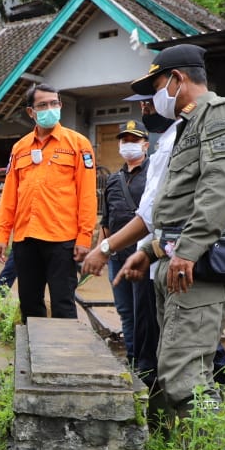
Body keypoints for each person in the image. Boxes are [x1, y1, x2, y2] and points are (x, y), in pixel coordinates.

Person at [114, 44, 225, 420]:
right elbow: (176, 206)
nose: (155, 98)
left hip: (197, 265)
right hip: (174, 260)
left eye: (157, 86)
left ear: (177, 79)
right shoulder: (187, 125)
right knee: (172, 367)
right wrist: (150, 251)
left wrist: (187, 251)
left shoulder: (219, 114)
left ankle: (210, 445)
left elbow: (221, 189)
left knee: (187, 376)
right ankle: (175, 443)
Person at [0, 83, 97, 320]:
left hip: (62, 240)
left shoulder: (78, 144)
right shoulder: (19, 148)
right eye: (43, 105)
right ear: (31, 112)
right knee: (29, 304)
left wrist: (84, 237)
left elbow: (87, 194)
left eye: (54, 103)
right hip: (26, 238)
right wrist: (2, 235)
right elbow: (9, 195)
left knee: (63, 304)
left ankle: (63, 346)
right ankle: (33, 346)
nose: (50, 108)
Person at [99, 120, 150, 367]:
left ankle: (147, 364)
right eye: (124, 140)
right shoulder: (113, 179)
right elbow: (106, 221)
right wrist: (101, 252)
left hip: (144, 258)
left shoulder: (153, 175)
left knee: (146, 313)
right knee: (126, 312)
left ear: (146, 144)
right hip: (117, 257)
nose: (128, 145)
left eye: (134, 140)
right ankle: (133, 360)